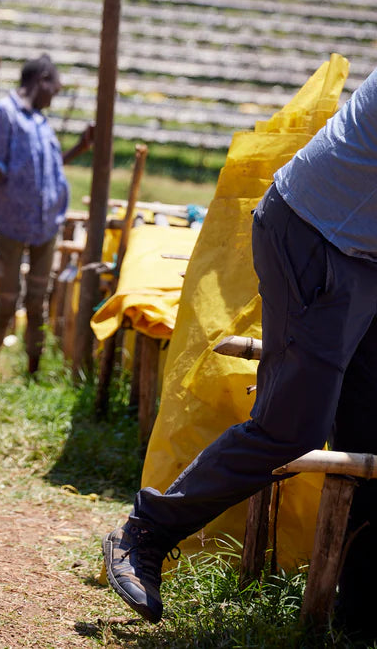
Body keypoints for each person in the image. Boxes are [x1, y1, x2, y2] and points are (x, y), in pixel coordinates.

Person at [104, 67, 377, 638]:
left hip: (364, 251)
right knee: (291, 426)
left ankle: (358, 616)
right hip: (316, 232)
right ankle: (148, 530)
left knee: (372, 433)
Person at [0, 54, 93, 377]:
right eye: (53, 89)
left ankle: (33, 370)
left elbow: (51, 168)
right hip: (13, 223)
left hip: (46, 224)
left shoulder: (41, 122)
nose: (53, 97)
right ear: (41, 80)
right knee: (8, 296)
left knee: (37, 300)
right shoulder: (6, 113)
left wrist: (80, 148)